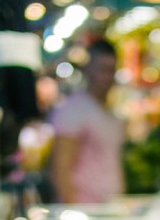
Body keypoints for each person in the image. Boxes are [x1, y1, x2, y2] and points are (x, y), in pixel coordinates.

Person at [48, 38, 125, 204]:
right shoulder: (73, 109)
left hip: (108, 208)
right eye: (103, 69)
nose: (108, 77)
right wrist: (72, 211)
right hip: (84, 212)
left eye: (112, 70)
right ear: (88, 69)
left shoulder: (109, 111)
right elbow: (61, 168)